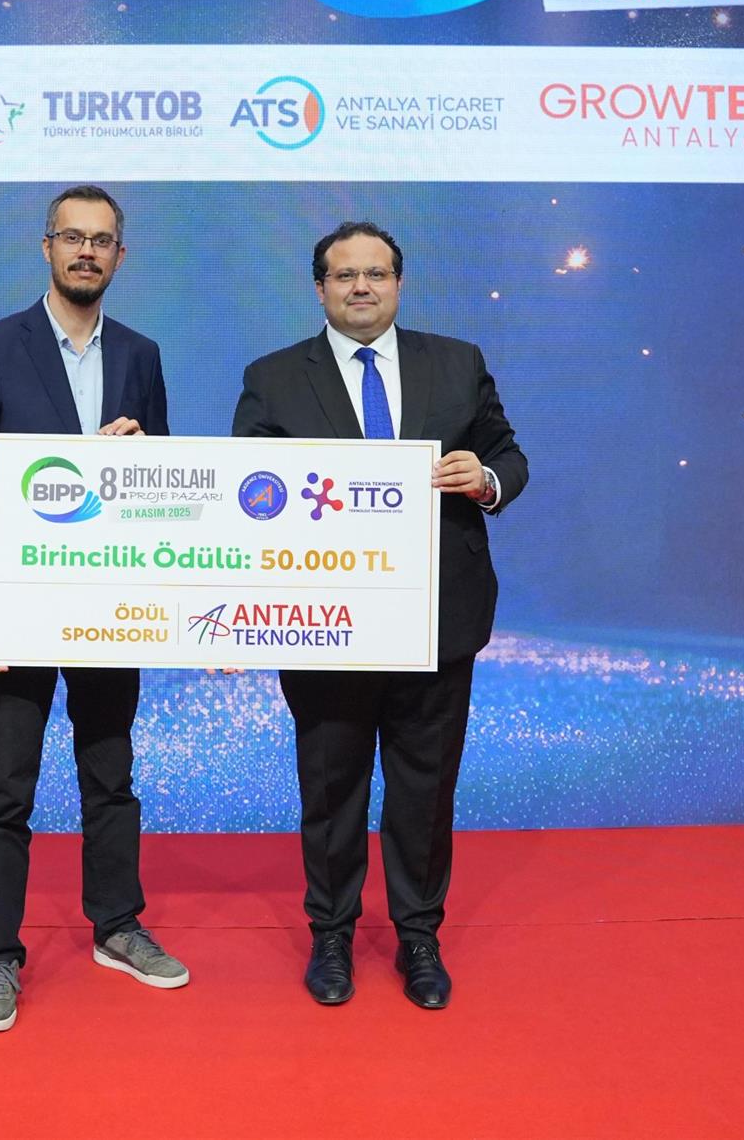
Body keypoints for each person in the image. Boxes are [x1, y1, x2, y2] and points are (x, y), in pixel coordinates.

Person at [231, 220, 527, 1010]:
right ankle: (331, 934)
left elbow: (509, 456)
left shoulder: (457, 363)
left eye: (376, 273)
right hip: (324, 620)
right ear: (320, 288)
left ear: (398, 284)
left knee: (424, 787)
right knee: (332, 786)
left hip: (438, 618)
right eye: (344, 275)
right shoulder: (272, 377)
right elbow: (244, 497)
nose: (361, 286)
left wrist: (485, 477)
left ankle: (418, 936)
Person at [0, 184, 188, 1033]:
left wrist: (147, 454)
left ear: (121, 255)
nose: (87, 251)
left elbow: (164, 490)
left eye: (102, 239)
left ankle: (117, 925)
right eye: (72, 237)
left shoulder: (142, 354)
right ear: (46, 247)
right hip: (16, 606)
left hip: (110, 605)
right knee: (6, 784)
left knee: (110, 775)